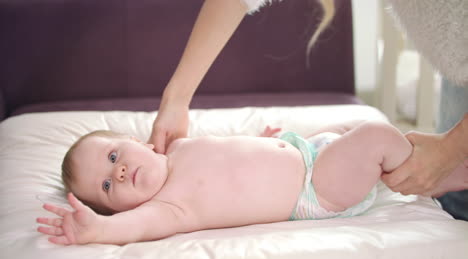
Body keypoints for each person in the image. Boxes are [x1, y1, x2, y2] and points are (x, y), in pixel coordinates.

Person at [147, 0, 468, 219]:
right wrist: (176, 97)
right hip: (458, 63)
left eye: (113, 155)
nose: (118, 172)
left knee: (393, 144)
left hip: (312, 173)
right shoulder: (169, 197)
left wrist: (451, 148)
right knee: (448, 193)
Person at [36, 121, 468, 245]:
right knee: (378, 140)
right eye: (109, 187)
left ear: (136, 142)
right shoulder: (168, 208)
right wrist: (97, 228)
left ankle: (444, 168)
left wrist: (267, 144)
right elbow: (134, 229)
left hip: (306, 150)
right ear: (122, 209)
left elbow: (230, 153)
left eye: (114, 158)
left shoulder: (179, 147)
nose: (120, 173)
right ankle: (446, 174)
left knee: (363, 127)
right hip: (314, 190)